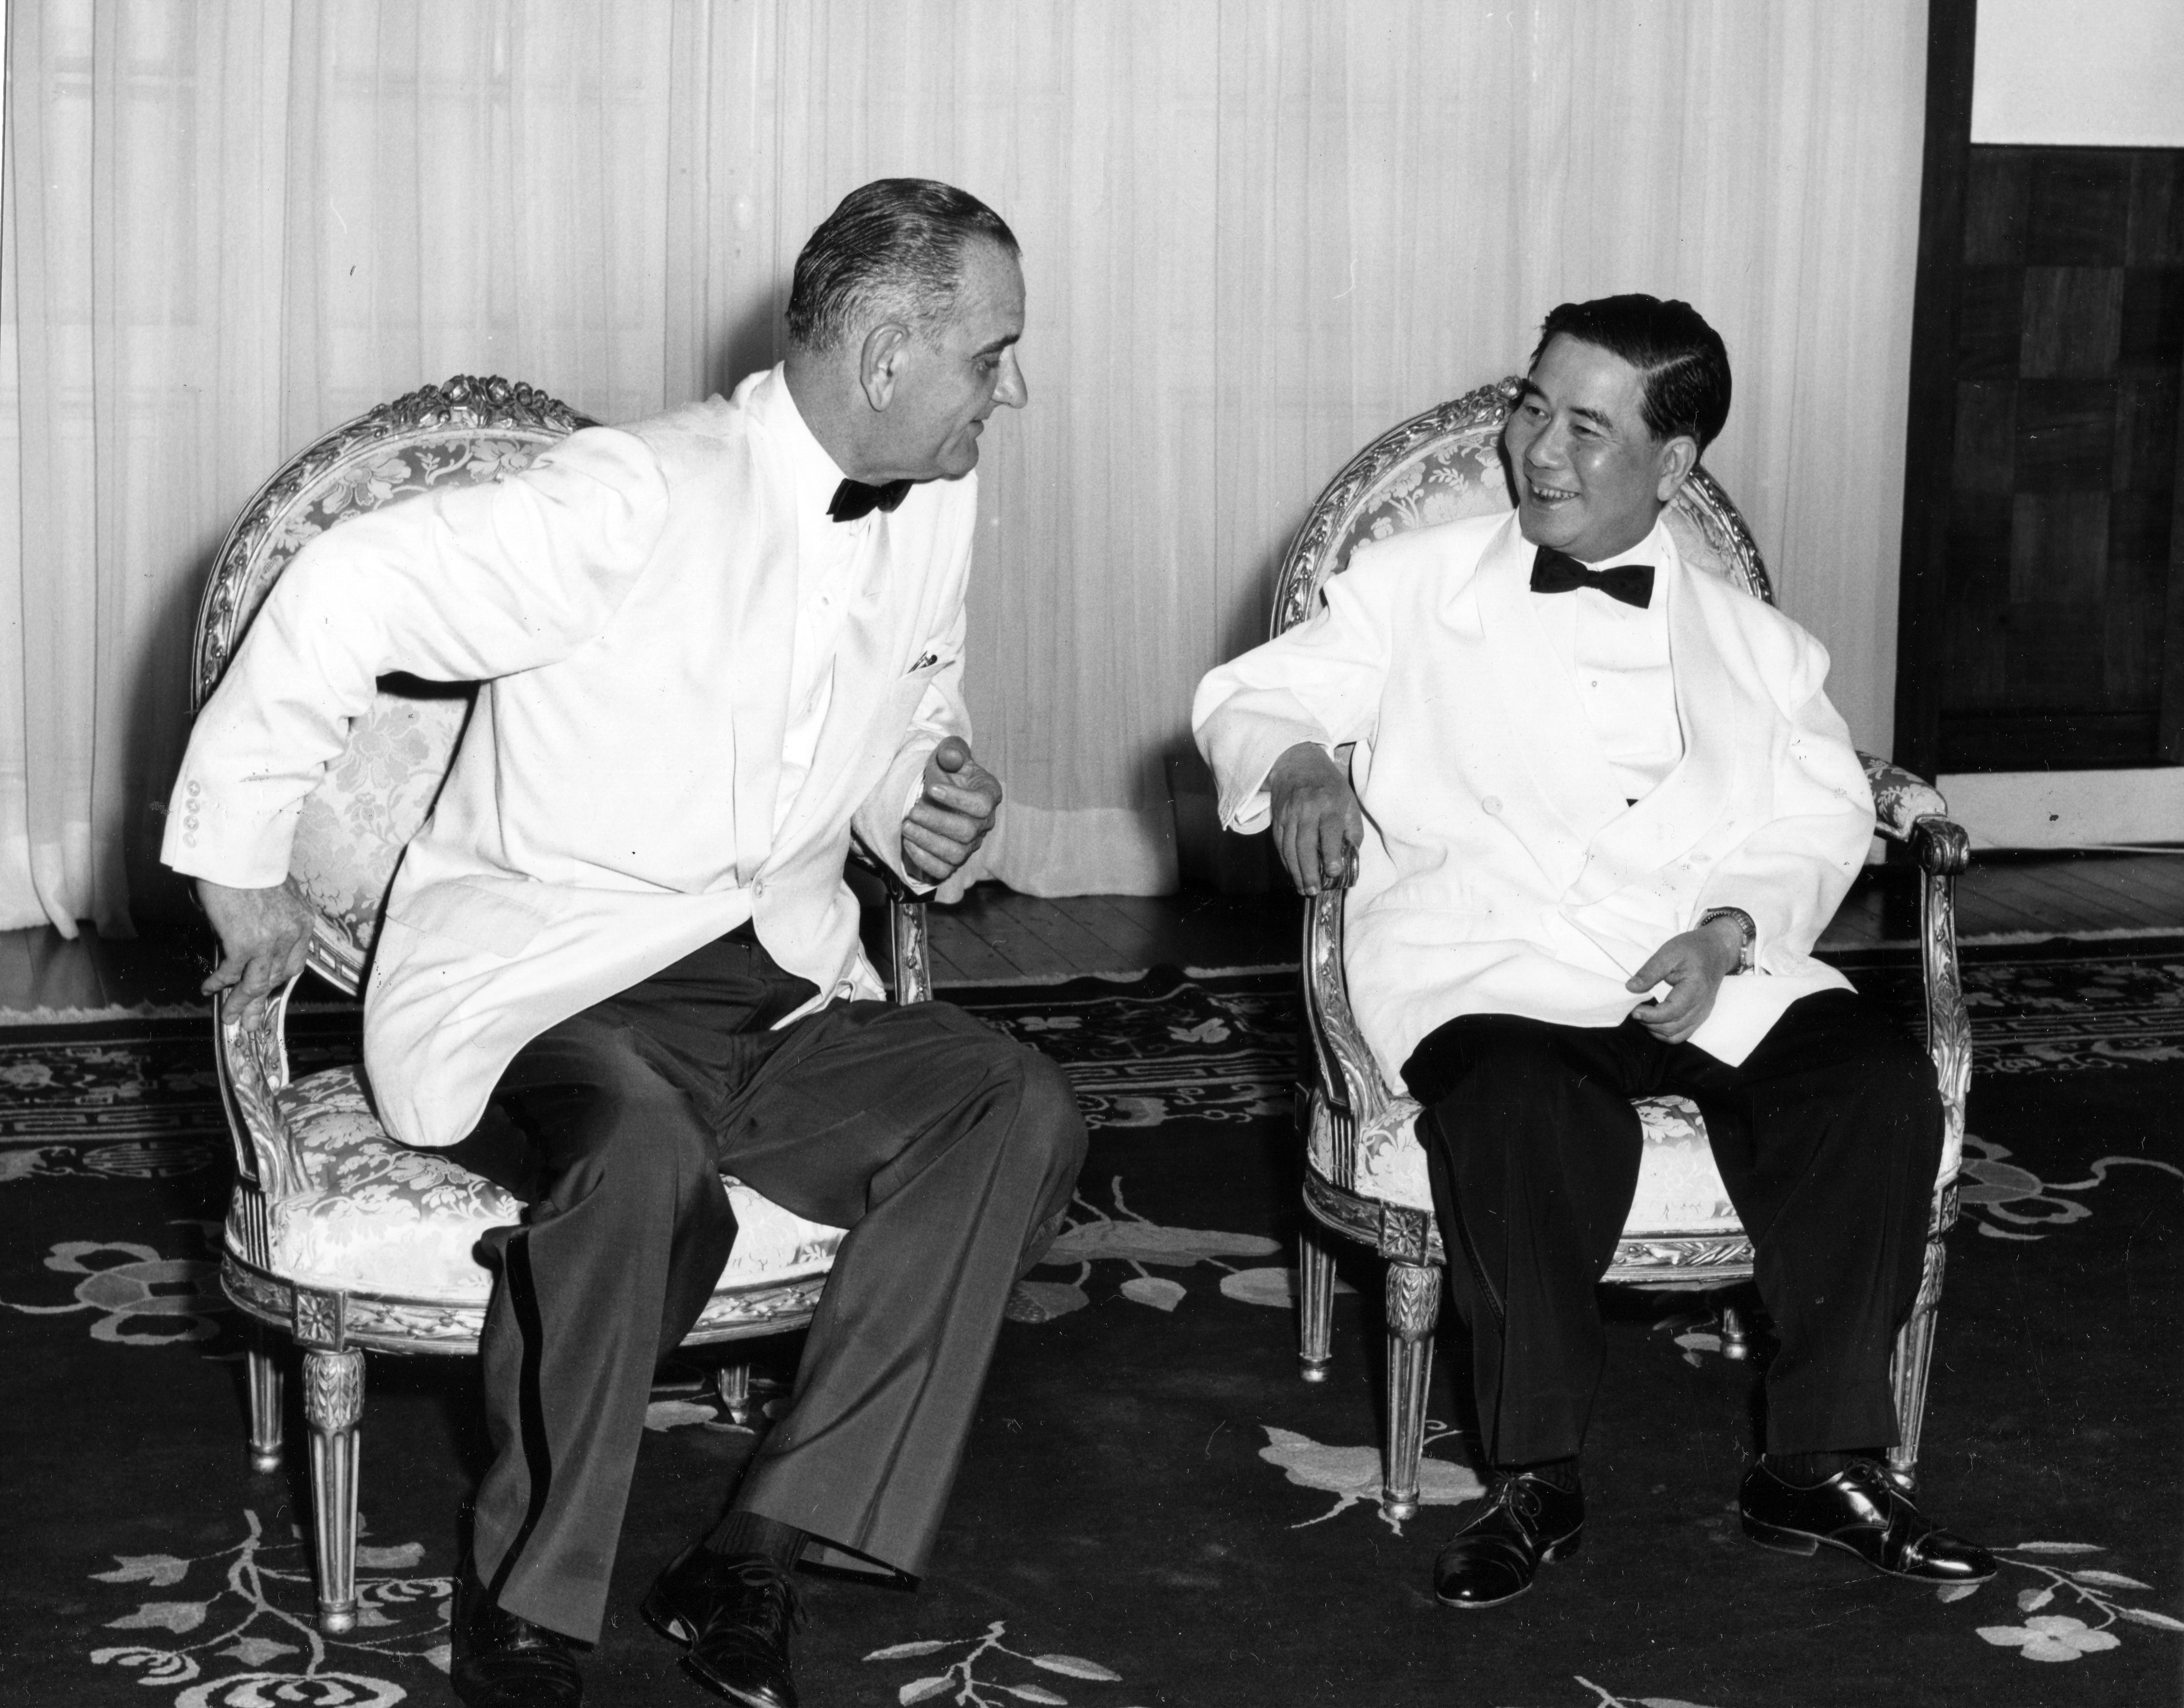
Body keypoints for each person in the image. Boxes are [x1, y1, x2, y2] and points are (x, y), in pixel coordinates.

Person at [167, 178, 1088, 1708]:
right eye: (995, 356)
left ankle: (759, 1541)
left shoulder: (942, 496)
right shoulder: (632, 493)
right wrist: (234, 855)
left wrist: (921, 801)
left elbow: (903, 711)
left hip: (777, 988)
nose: (1014, 391)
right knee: (642, 1161)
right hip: (560, 983)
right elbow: (346, 583)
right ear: (883, 358)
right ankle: (530, 1612)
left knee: (1020, 1105)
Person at [1192, 294, 1994, 1611]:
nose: (1537, 453)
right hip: (1491, 953)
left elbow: (1822, 809)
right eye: (1529, 407)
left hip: (1692, 952)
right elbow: (1255, 694)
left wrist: (1731, 928)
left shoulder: (1759, 643)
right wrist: (1293, 767)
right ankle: (1535, 1477)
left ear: (1675, 466)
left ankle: (1818, 1462)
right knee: (1523, 1114)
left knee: (1870, 1084)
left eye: (1584, 427)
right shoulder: (1412, 588)